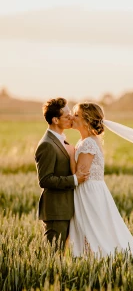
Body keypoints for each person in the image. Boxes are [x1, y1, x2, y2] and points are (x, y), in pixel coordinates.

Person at [68, 102, 133, 257]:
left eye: (76, 115)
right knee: (96, 226)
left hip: (88, 190)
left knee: (93, 227)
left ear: (86, 120)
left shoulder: (87, 143)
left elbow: (80, 173)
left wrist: (68, 154)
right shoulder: (85, 141)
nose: (72, 117)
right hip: (93, 189)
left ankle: (100, 257)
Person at [34, 98, 89, 250]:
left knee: (61, 256)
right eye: (67, 116)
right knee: (53, 256)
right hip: (56, 211)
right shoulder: (47, 144)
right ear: (55, 120)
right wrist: (74, 179)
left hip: (65, 209)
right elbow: (45, 180)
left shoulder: (60, 140)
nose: (71, 117)